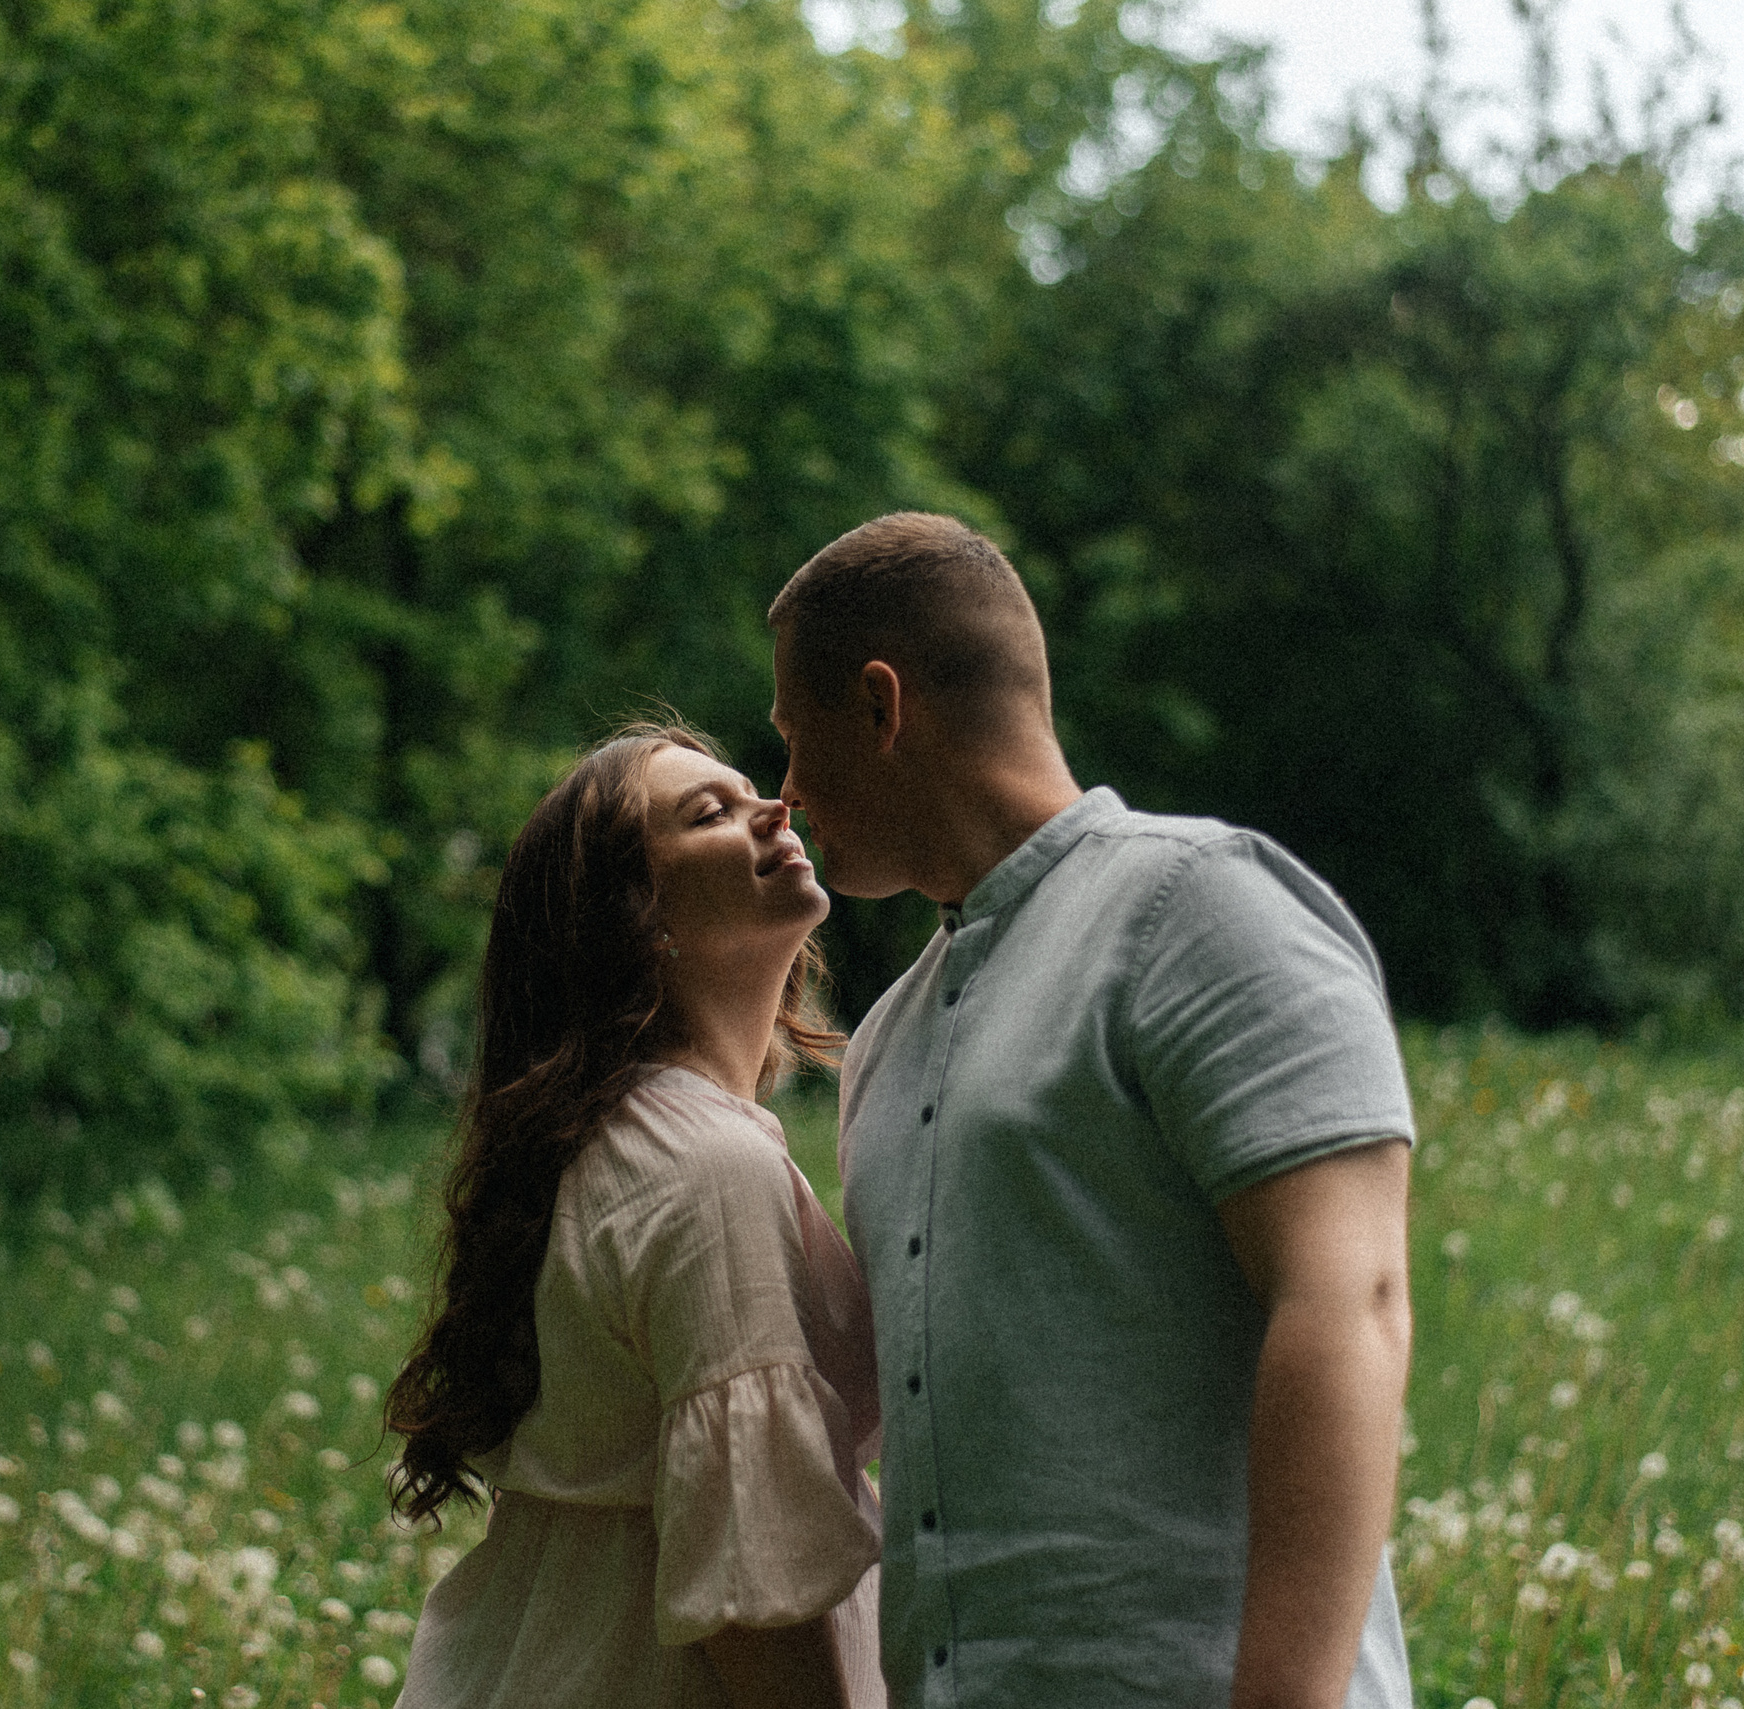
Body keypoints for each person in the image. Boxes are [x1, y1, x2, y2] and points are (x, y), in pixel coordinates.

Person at [766, 513, 1416, 1709]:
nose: (789, 794)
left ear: (879, 703)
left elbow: (1348, 1299)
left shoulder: (1199, 908)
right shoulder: (885, 1040)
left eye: (795, 742)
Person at [385, 724, 889, 1709]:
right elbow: (749, 1597)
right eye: (709, 811)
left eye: (751, 790)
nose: (772, 808)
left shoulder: (632, 1137)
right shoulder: (703, 1164)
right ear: (636, 917)